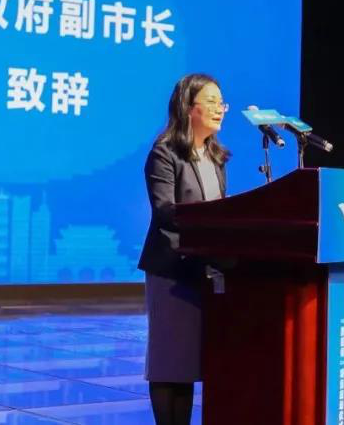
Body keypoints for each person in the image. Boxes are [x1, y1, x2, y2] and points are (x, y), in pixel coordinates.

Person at [137, 73, 230, 425]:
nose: (219, 109)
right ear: (188, 108)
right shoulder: (164, 153)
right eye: (211, 101)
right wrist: (209, 227)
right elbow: (165, 210)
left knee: (187, 362)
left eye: (222, 103)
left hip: (205, 269)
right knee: (168, 360)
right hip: (171, 269)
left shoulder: (216, 157)